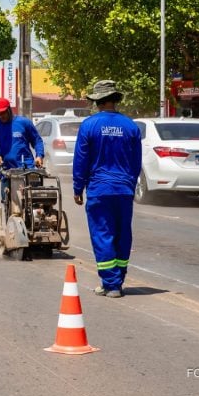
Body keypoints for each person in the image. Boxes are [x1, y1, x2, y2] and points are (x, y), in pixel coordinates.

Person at [72, 80, 142, 299]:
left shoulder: (89, 125)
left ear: (97, 102)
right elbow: (136, 162)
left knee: (103, 234)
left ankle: (110, 284)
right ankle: (118, 280)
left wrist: (78, 187)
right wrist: (129, 185)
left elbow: (81, 160)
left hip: (99, 190)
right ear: (114, 100)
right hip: (124, 190)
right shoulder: (130, 126)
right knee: (122, 235)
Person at [0, 97, 44, 201]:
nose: (1, 116)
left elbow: (37, 141)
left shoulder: (24, 123)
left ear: (9, 109)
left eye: (3, 113)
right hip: (7, 170)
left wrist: (39, 156)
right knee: (7, 201)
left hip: (27, 168)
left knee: (34, 200)